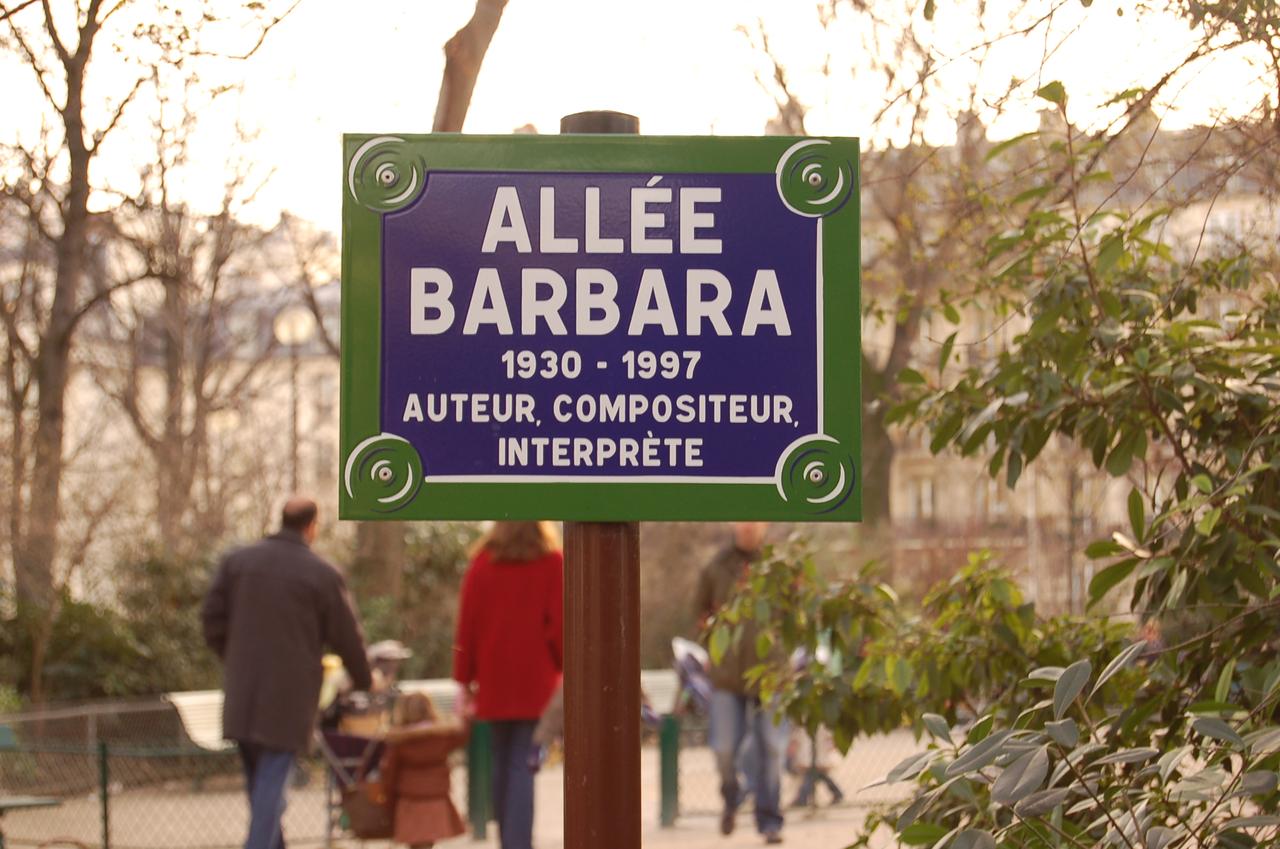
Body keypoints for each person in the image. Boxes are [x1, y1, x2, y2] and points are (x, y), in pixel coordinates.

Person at [202, 496, 372, 849]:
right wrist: (366, 679)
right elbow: (347, 636)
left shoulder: (238, 563)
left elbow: (211, 618)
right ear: (312, 527)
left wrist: (233, 657)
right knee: (269, 790)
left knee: (260, 787)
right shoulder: (321, 574)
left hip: (242, 692)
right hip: (288, 699)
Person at [453, 521, 564, 849]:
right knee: (521, 762)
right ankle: (517, 844)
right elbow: (558, 625)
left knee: (501, 760)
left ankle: (507, 840)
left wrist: (464, 680)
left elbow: (467, 625)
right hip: (535, 679)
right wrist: (562, 664)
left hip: (493, 678)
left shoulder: (483, 563)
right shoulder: (551, 563)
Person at [695, 521, 787, 845]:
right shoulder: (717, 568)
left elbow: (794, 616)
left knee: (772, 749)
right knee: (724, 748)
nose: (748, 528)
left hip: (770, 675)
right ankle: (731, 796)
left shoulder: (778, 568)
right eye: (743, 521)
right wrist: (712, 648)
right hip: (727, 676)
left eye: (755, 522)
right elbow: (699, 614)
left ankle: (770, 819)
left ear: (764, 526)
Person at [380, 692, 469, 849]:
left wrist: (388, 797)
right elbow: (462, 735)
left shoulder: (399, 743)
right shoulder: (441, 737)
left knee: (415, 842)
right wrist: (464, 715)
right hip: (436, 796)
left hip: (409, 798)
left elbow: (389, 772)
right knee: (428, 841)